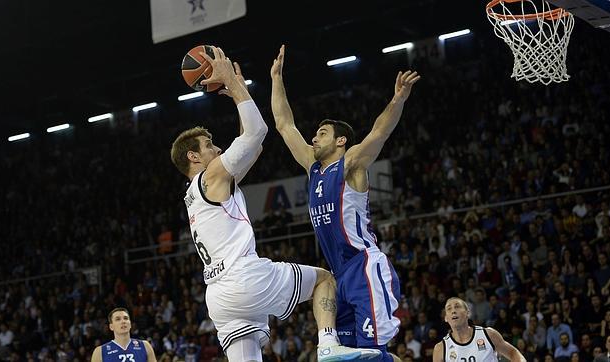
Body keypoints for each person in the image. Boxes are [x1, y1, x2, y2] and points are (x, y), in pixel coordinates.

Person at [170, 46, 379, 362]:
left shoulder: (196, 192)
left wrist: (239, 93)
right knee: (323, 279)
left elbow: (251, 150)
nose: (217, 148)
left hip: (218, 296)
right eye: (209, 146)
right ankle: (327, 345)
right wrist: (235, 84)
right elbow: (258, 132)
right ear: (194, 157)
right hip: (244, 278)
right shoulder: (212, 175)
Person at [270, 44, 420, 361]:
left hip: (365, 265)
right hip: (339, 275)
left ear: (340, 141)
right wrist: (276, 78)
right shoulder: (313, 169)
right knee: (347, 357)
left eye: (321, 133)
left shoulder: (350, 163)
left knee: (371, 353)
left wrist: (398, 100)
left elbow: (379, 132)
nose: (313, 138)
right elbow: (285, 125)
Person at [432, 297, 526, 362]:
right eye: (449, 309)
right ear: (446, 318)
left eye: (457, 306)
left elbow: (513, 353)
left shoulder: (488, 334)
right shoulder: (440, 349)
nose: (453, 311)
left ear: (467, 313)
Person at [90, 307, 157, 362]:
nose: (123, 321)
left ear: (130, 324)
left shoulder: (145, 346)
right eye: (118, 319)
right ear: (111, 327)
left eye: (125, 318)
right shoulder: (100, 351)